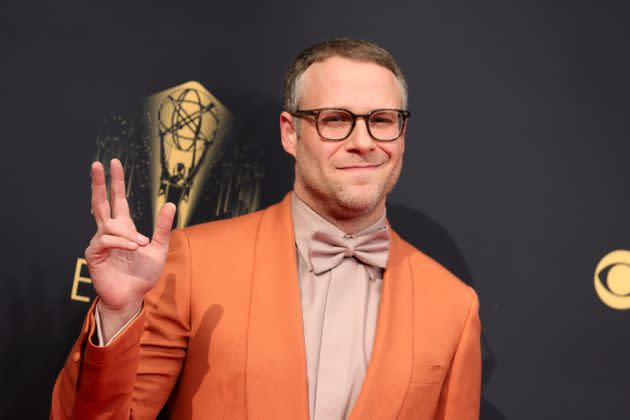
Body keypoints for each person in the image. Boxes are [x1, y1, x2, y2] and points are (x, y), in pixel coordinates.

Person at [51, 38, 481, 420]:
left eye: (382, 119)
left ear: (402, 133)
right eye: (335, 119)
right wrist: (119, 315)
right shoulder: (196, 262)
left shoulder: (453, 308)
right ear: (290, 133)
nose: (364, 141)